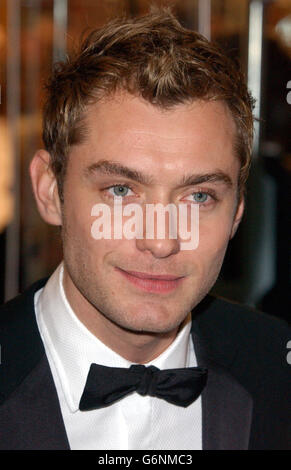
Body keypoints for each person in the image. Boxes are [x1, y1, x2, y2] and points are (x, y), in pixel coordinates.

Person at [0, 9, 290, 451]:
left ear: (236, 214)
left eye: (199, 197)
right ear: (48, 190)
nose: (161, 240)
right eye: (121, 190)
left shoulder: (278, 370)